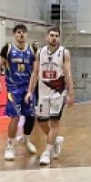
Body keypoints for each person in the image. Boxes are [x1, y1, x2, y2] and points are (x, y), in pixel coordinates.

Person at [0, 24, 40, 161]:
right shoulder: (7, 48)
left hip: (28, 87)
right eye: (18, 32)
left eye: (24, 32)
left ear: (27, 35)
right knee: (15, 117)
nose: (21, 35)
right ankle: (9, 146)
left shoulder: (32, 49)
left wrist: (32, 90)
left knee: (31, 117)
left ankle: (26, 139)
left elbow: (36, 72)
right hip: (13, 89)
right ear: (14, 34)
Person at [35, 28, 75, 166]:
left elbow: (68, 73)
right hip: (43, 92)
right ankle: (56, 140)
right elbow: (35, 73)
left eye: (57, 36)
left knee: (54, 122)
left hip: (58, 92)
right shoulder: (40, 52)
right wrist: (29, 91)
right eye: (51, 35)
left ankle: (47, 152)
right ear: (47, 37)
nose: (54, 38)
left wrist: (71, 92)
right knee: (41, 121)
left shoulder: (64, 53)